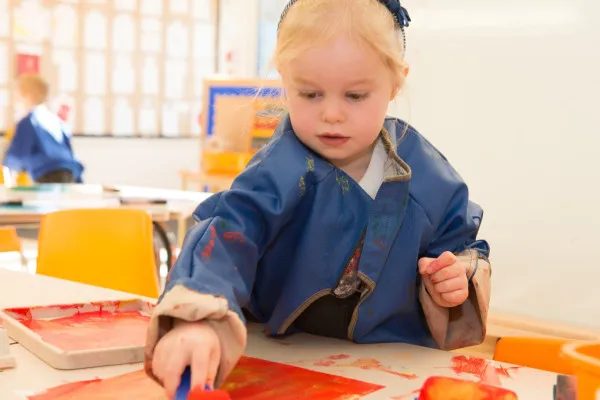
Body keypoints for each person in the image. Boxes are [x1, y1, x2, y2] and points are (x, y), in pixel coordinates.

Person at [145, 0, 492, 396]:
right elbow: (225, 235)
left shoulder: (426, 175)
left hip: (393, 372)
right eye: (310, 94)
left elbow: (461, 244)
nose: (331, 113)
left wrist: (453, 279)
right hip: (283, 365)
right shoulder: (277, 172)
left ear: (396, 82)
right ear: (285, 80)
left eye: (356, 96)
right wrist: (197, 319)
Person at [2, 73, 83, 184]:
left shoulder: (30, 121)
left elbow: (13, 161)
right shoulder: (55, 120)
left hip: (49, 174)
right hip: (71, 170)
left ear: (25, 94)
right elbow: (69, 151)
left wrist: (9, 187)